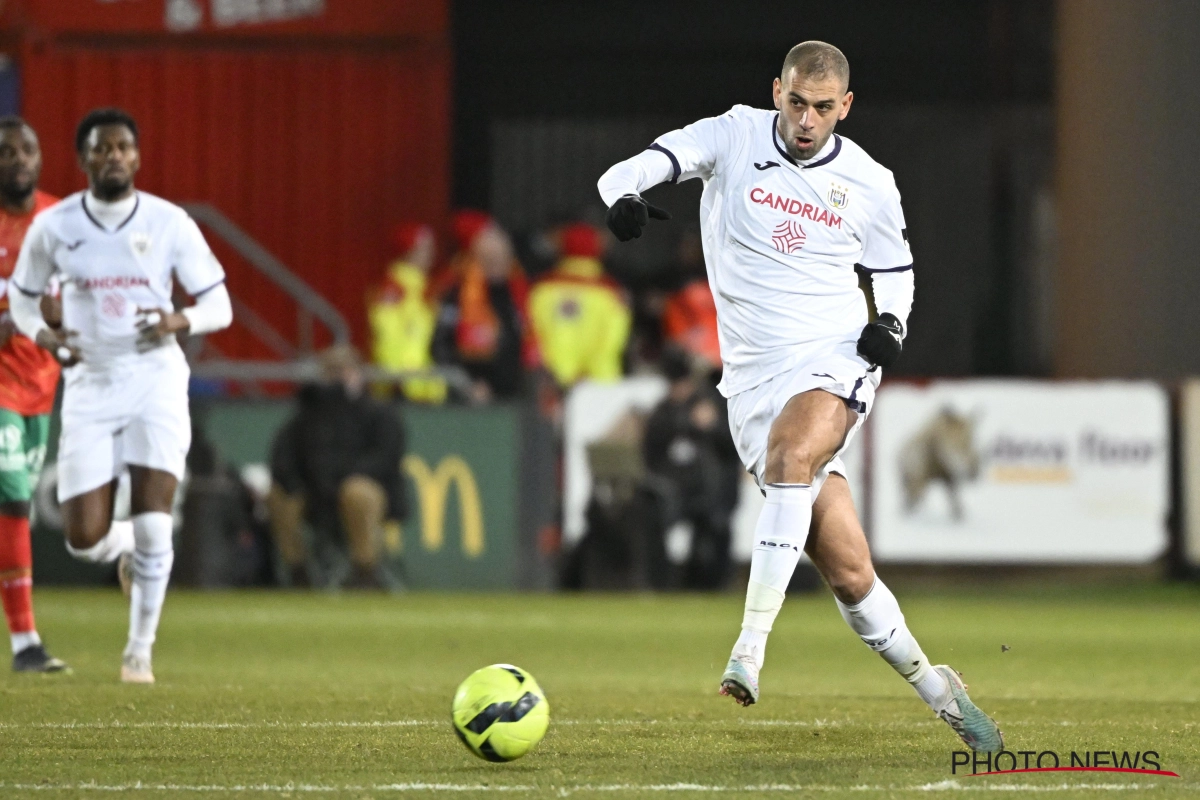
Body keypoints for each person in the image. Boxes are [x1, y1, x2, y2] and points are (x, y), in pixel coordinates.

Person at [597, 42, 1002, 752]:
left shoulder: (871, 181)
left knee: (792, 456)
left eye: (823, 108)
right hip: (751, 381)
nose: (806, 120)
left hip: (834, 356)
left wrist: (890, 325)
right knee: (848, 571)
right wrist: (625, 199)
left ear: (845, 107)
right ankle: (940, 690)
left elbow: (895, 270)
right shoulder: (734, 135)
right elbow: (633, 168)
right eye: (795, 102)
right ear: (776, 91)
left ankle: (749, 646)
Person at [10, 107, 233, 684]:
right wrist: (43, 336)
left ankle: (139, 652)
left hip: (155, 377)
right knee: (84, 537)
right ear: (84, 158)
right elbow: (26, 299)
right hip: (89, 379)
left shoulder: (169, 222)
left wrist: (177, 319)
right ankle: (129, 548)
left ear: (137, 156)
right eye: (101, 148)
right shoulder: (54, 225)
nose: (113, 156)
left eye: (123, 147)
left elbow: (220, 305)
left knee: (157, 518)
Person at [0, 117, 67, 672]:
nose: (19, 159)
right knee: (16, 499)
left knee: (13, 508)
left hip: (42, 386)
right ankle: (25, 642)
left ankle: (26, 644)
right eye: (6, 152)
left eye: (28, 149)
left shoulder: (63, 219)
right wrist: (15, 318)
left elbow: (82, 297)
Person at [267, 345, 406, 590]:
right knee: (279, 495)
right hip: (318, 495)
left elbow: (385, 459)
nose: (337, 379)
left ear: (358, 374)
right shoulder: (309, 414)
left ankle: (365, 570)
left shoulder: (379, 413)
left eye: (343, 371)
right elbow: (283, 455)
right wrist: (296, 482)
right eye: (331, 372)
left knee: (356, 491)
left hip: (367, 493)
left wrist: (342, 477)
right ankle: (299, 571)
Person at [642, 348, 741, 589]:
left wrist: (712, 425)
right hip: (674, 491)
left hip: (711, 491)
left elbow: (734, 446)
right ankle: (660, 582)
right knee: (650, 522)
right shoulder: (664, 412)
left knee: (716, 528)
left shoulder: (711, 405)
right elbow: (649, 454)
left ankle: (715, 585)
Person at [433, 211, 536, 403]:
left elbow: (524, 338)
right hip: (471, 400)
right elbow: (440, 346)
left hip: (514, 397)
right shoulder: (457, 292)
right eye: (491, 258)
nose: (500, 263)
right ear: (477, 257)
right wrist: (467, 384)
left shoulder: (516, 291)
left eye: (504, 256)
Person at [528, 222, 630, 390]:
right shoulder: (611, 294)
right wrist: (591, 373)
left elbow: (533, 333)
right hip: (600, 383)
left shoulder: (541, 291)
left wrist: (563, 374)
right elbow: (613, 340)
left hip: (552, 384)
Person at [367, 222, 446, 403]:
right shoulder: (394, 288)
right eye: (424, 249)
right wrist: (395, 376)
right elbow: (386, 333)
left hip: (423, 386)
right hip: (400, 387)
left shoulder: (424, 289)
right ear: (409, 252)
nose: (431, 254)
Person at [661, 228, 721, 372]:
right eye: (684, 246)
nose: (688, 251)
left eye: (692, 246)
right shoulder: (668, 280)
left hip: (718, 353)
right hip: (690, 351)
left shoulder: (715, 277)